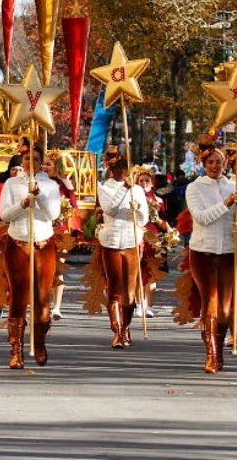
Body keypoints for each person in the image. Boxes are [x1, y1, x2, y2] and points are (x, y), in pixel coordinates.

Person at [186, 137, 237, 373]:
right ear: (204, 164)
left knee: (225, 310)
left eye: (219, 162)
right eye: (211, 162)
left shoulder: (234, 186)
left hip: (228, 252)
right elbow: (201, 217)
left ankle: (218, 348)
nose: (216, 165)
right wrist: (226, 204)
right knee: (211, 302)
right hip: (203, 251)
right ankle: (212, 354)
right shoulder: (195, 188)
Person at [0, 140, 61, 368]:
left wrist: (40, 196)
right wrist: (24, 203)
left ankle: (40, 342)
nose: (31, 162)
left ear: (41, 161)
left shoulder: (51, 185)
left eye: (36, 159)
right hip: (18, 243)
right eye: (27, 159)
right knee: (18, 297)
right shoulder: (12, 184)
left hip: (43, 244)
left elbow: (53, 214)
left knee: (43, 298)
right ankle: (16, 350)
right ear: (21, 161)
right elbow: (5, 215)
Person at [97, 146, 149, 349]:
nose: (121, 171)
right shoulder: (104, 188)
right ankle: (117, 329)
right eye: (118, 167)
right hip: (111, 241)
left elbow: (143, 217)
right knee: (114, 286)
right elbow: (110, 208)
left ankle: (126, 327)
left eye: (125, 167)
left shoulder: (137, 190)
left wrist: (136, 209)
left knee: (129, 290)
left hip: (131, 240)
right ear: (111, 169)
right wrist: (124, 191)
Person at [42, 150, 79, 321]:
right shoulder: (38, 182)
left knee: (58, 268)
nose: (44, 167)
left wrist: (69, 188)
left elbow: (73, 206)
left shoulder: (62, 184)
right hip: (42, 228)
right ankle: (41, 303)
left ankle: (57, 306)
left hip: (60, 230)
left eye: (48, 164)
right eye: (43, 164)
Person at [135, 165, 169, 319]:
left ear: (152, 183)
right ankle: (139, 303)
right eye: (140, 180)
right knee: (137, 273)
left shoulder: (159, 200)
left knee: (152, 274)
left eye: (146, 180)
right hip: (136, 236)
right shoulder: (132, 198)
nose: (143, 183)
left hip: (154, 239)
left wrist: (159, 221)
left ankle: (148, 305)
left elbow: (163, 222)